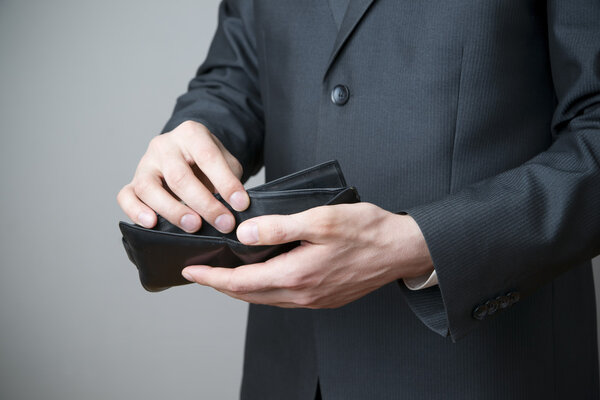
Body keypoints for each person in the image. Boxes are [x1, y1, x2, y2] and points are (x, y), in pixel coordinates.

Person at [117, 1, 600, 398]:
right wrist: (196, 134)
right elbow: (236, 74)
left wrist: (424, 244)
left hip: (487, 371)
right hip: (287, 371)